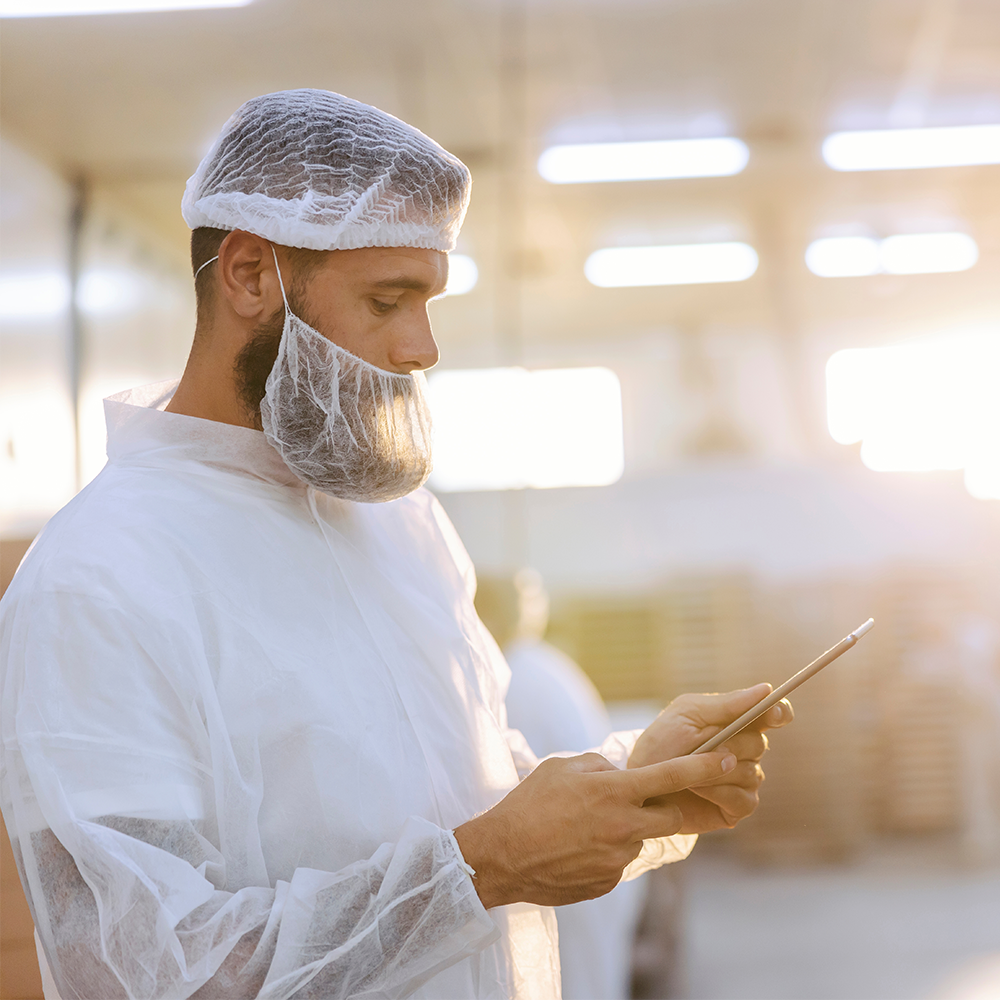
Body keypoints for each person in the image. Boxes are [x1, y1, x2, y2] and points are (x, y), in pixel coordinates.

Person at [0, 89, 792, 1000]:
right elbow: (142, 974)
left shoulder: (400, 525)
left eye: (429, 300)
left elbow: (477, 793)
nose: (423, 348)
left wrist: (633, 779)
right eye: (388, 299)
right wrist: (479, 871)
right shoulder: (100, 581)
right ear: (251, 275)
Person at [475, 570, 649, 1000]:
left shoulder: (510, 680)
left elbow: (498, 795)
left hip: (566, 868)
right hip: (594, 858)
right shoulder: (543, 663)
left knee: (572, 979)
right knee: (595, 975)